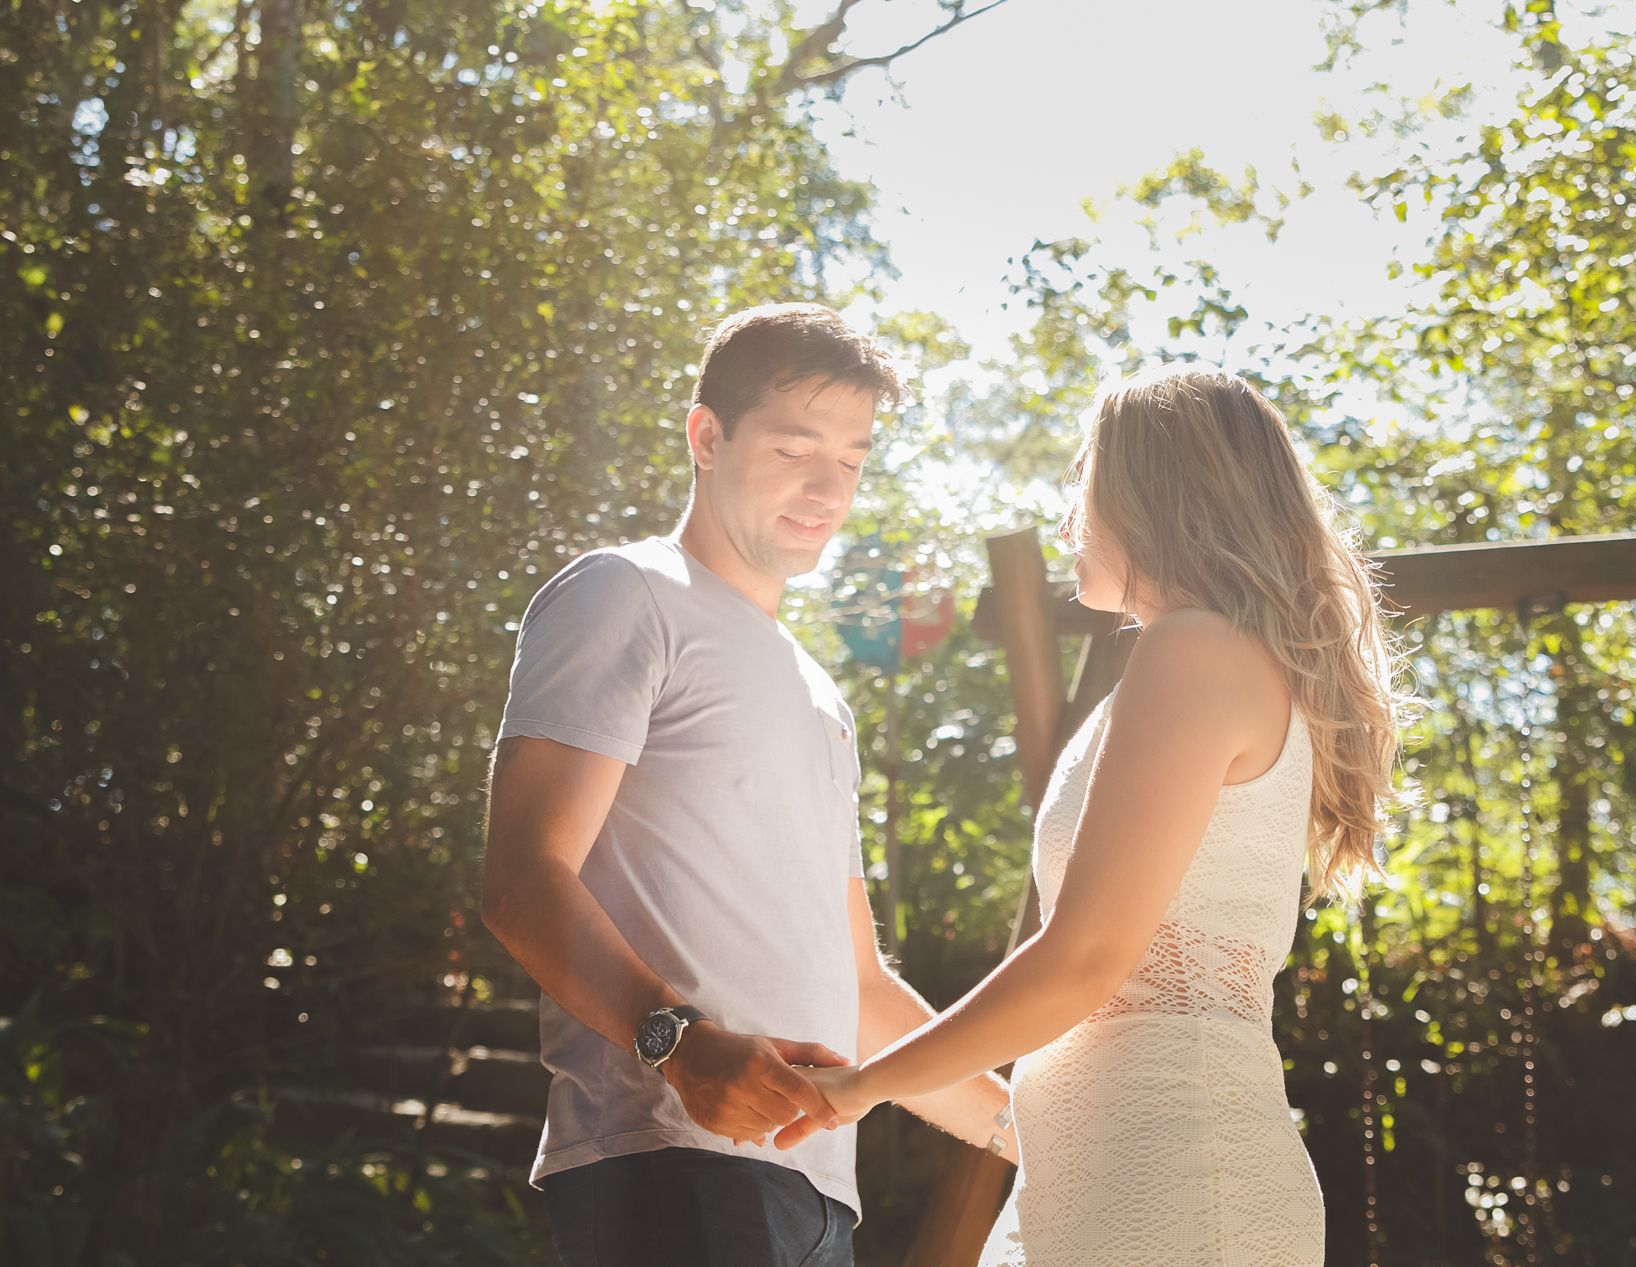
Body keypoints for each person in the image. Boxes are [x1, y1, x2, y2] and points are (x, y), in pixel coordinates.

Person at [776, 363, 1410, 1266]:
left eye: (1084, 480)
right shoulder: (1203, 658)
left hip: (1174, 1174)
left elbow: (1086, 957)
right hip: (1100, 1167)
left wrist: (863, 1084)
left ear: (1152, 495)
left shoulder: (1194, 649)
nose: (1071, 514)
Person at [481, 303, 1017, 1267]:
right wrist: (678, 1047)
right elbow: (522, 878)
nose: (826, 487)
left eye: (851, 459)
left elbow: (860, 989)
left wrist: (1030, 1133)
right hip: (668, 1164)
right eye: (794, 447)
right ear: (706, 435)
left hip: (815, 1191)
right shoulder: (625, 592)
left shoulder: (819, 691)